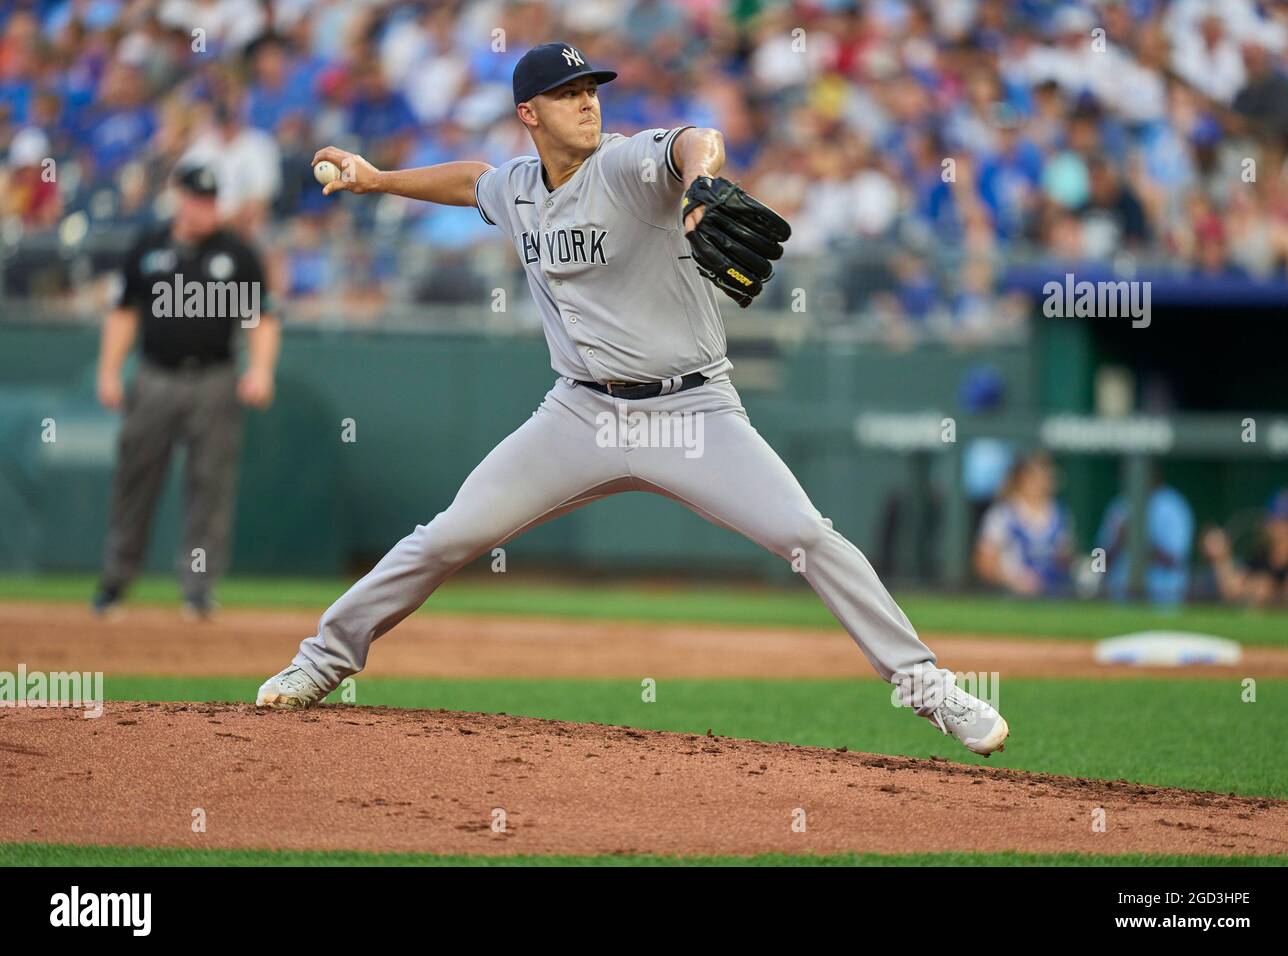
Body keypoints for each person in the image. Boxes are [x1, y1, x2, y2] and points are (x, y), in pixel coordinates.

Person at [255, 42, 1009, 757]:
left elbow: (692, 140)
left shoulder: (623, 167)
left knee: (809, 537)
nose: (587, 105)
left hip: (692, 412)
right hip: (578, 414)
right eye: (568, 94)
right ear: (530, 113)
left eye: (591, 91)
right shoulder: (519, 187)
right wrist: (377, 179)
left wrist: (705, 181)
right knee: (449, 535)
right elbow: (473, 181)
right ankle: (321, 662)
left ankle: (929, 688)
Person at [92, 163, 280, 619]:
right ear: (178, 197)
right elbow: (123, 313)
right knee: (136, 480)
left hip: (214, 378)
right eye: (196, 199)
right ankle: (116, 582)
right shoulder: (149, 246)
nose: (204, 209)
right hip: (155, 376)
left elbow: (262, 317)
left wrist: (260, 370)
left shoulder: (237, 253)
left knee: (210, 484)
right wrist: (109, 371)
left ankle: (198, 588)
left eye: (211, 201)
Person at [973, 451, 1074, 597]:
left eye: (1046, 474)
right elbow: (984, 563)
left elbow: (1064, 558)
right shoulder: (1003, 514)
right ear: (1022, 478)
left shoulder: (1060, 514)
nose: (1043, 481)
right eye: (1036, 475)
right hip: (1010, 597)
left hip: (1051, 597)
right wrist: (1014, 580)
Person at [1094, 472, 1194, 605]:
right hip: (1120, 601)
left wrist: (1138, 538)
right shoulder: (1119, 506)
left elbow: (1176, 560)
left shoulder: (1171, 506)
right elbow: (1098, 561)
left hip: (1164, 601)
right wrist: (1118, 541)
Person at [1202, 489, 1288, 607]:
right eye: (1278, 520)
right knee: (1261, 587)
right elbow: (1232, 589)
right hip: (1263, 618)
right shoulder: (1260, 554)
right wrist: (1221, 558)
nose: (1282, 528)